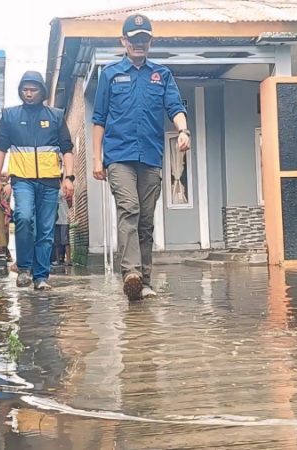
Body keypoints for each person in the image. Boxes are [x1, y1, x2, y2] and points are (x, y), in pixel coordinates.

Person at [92, 14, 191, 301]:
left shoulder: (162, 74)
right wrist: (97, 159)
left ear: (150, 41)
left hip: (150, 156)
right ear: (123, 41)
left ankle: (144, 281)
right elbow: (99, 119)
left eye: (143, 39)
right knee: (129, 209)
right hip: (119, 156)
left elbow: (174, 106)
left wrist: (183, 131)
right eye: (133, 39)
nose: (138, 44)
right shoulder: (109, 74)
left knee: (146, 220)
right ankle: (131, 273)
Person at [0, 71, 74, 291]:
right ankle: (24, 268)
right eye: (24, 90)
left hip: (49, 181)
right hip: (23, 180)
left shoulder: (56, 116)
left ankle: (41, 277)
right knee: (24, 217)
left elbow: (67, 149)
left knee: (46, 230)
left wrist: (69, 177)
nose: (28, 94)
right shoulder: (9, 116)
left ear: (42, 92)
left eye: (33, 89)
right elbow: (1, 148)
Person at [52, 182, 72, 267]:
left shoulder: (65, 188)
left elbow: (70, 203)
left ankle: (68, 260)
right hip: (55, 220)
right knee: (56, 241)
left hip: (64, 220)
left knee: (65, 240)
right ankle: (58, 260)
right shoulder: (51, 190)